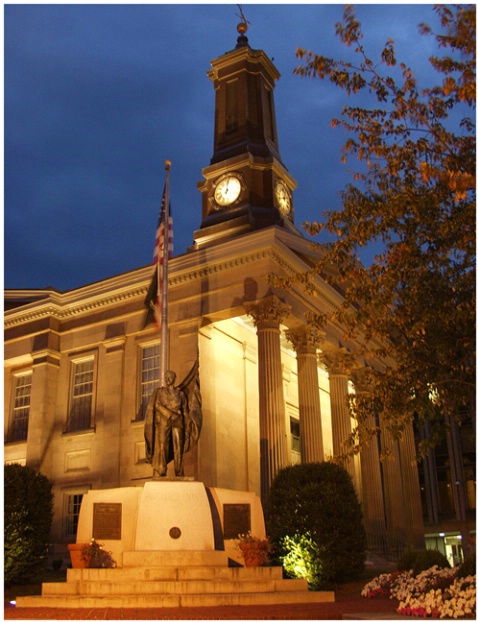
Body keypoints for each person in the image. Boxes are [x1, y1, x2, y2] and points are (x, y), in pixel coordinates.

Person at [144, 370, 188, 477]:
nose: (167, 379)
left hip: (178, 421)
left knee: (178, 447)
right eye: (166, 377)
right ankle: (162, 469)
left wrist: (187, 423)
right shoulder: (160, 392)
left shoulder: (180, 394)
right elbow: (157, 405)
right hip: (164, 421)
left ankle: (179, 470)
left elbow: (185, 410)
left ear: (174, 378)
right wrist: (169, 414)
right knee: (163, 445)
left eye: (170, 377)